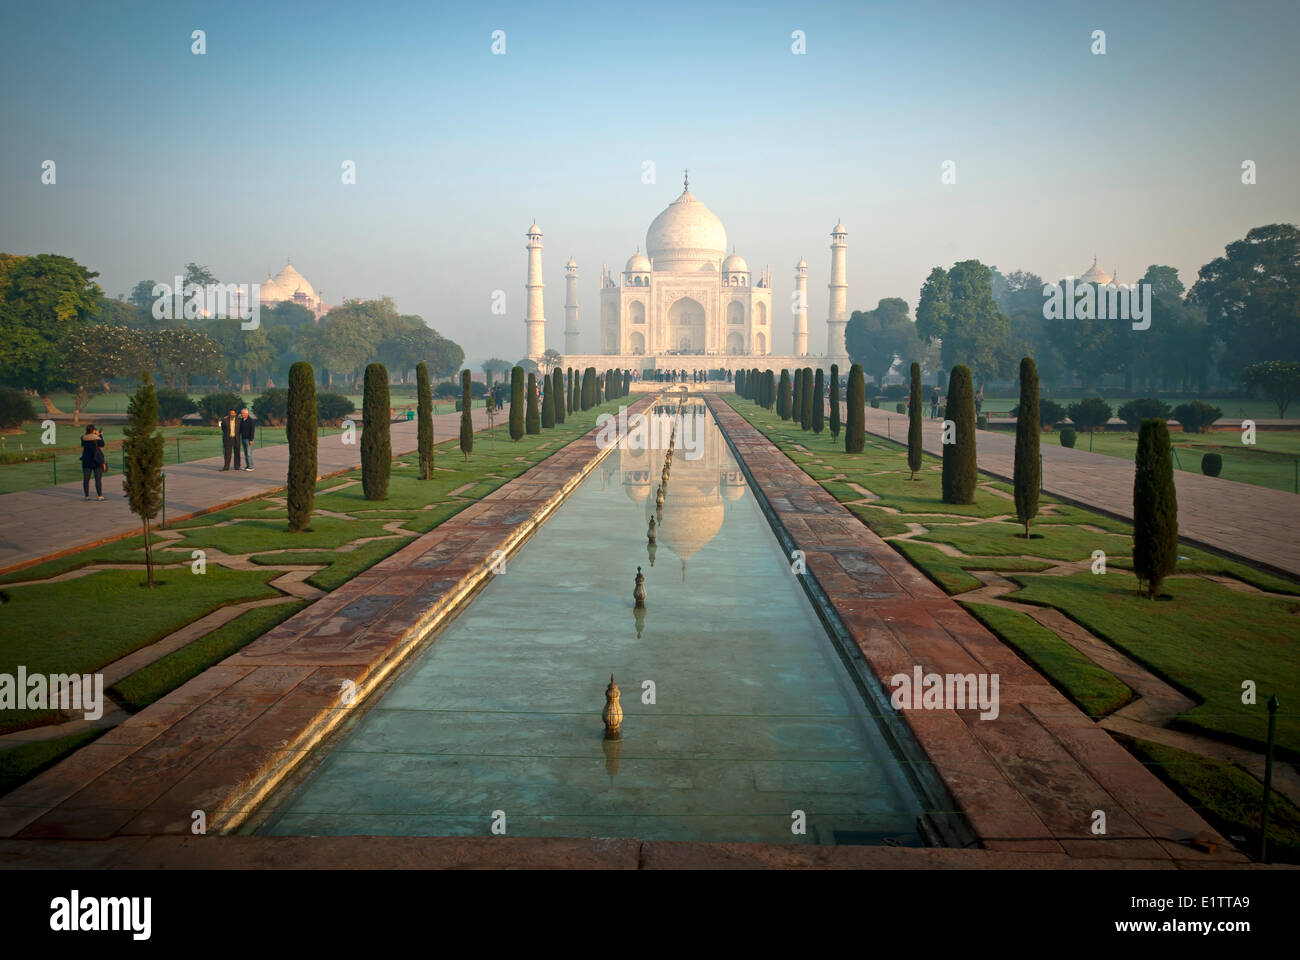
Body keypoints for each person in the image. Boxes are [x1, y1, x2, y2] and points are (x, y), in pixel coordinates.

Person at [80, 424, 106, 501]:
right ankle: (100, 496)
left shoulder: (83, 438)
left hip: (86, 461)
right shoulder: (97, 438)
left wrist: (95, 434)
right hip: (96, 461)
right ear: (93, 430)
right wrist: (100, 435)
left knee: (86, 479)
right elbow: (102, 444)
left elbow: (83, 444)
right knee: (97, 479)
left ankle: (87, 496)